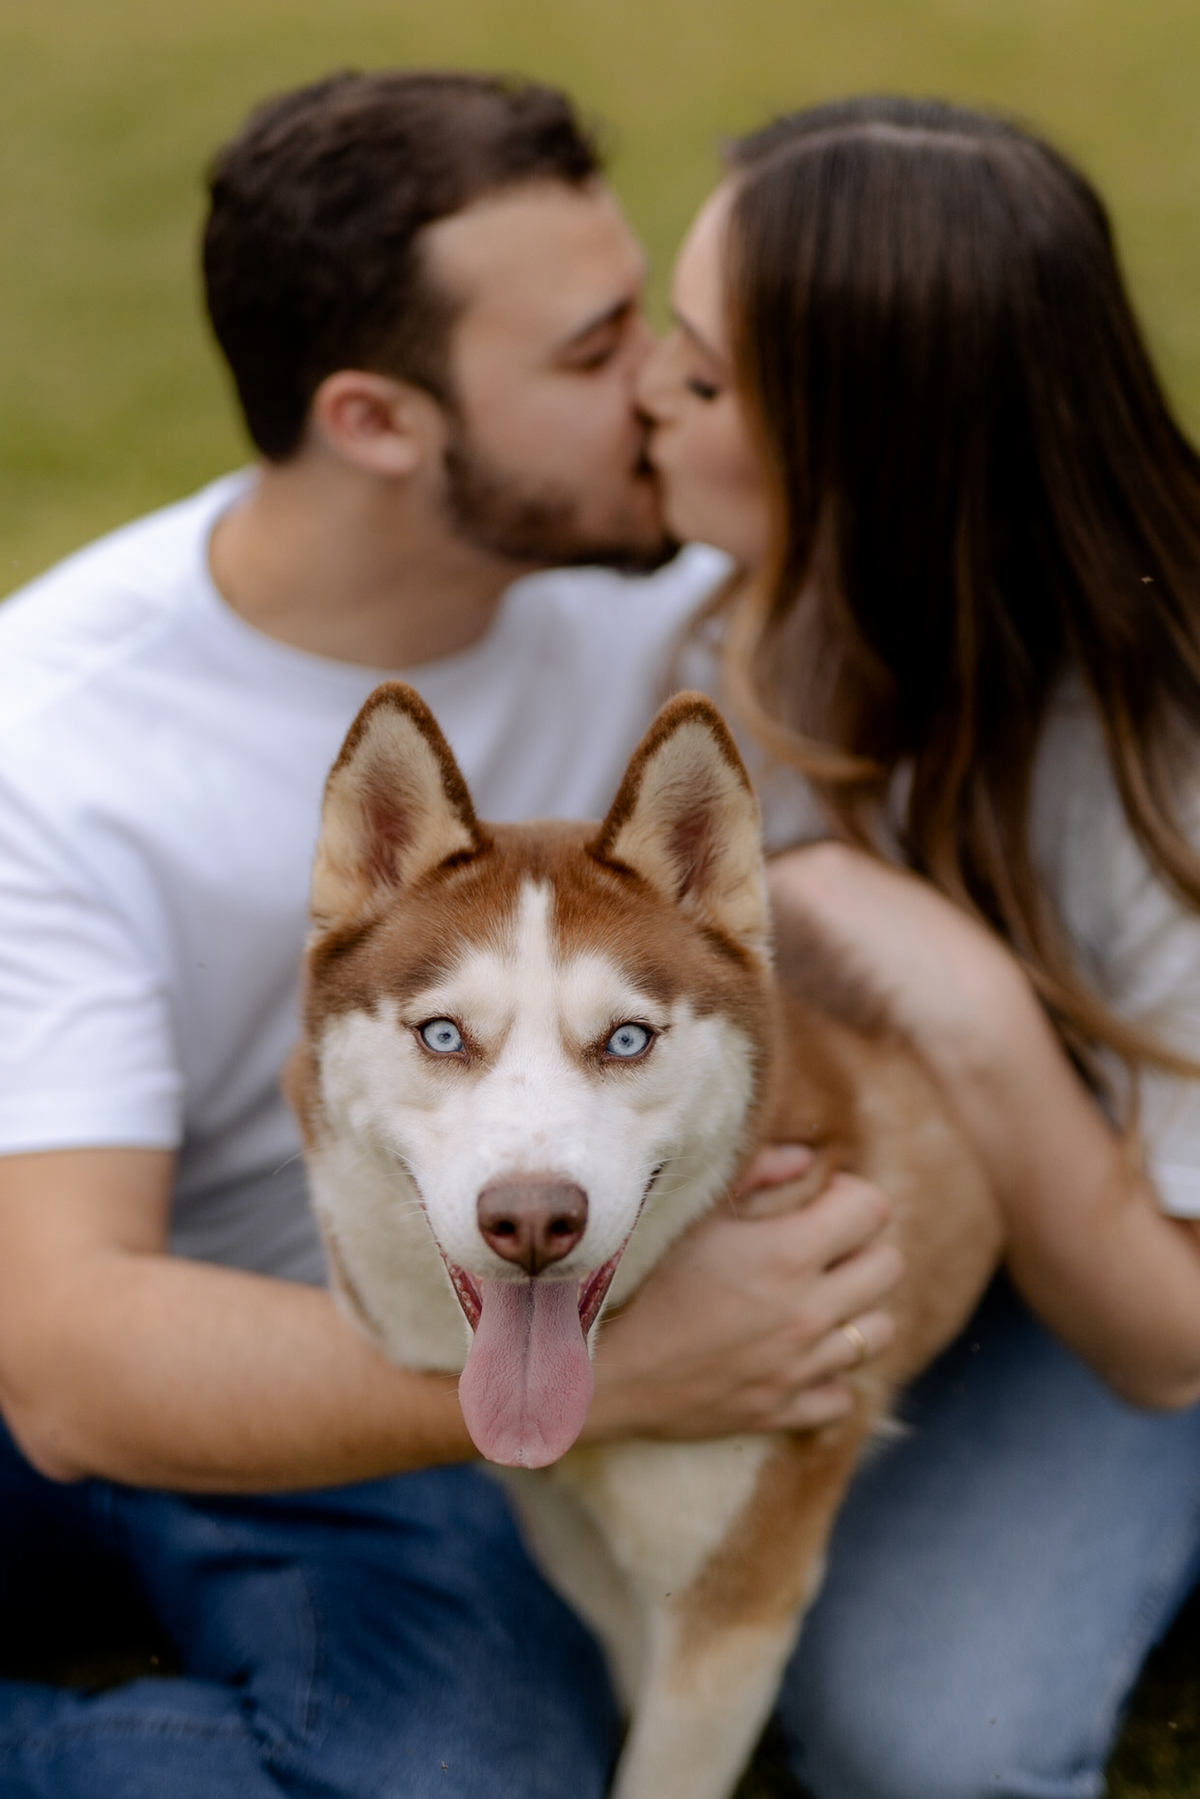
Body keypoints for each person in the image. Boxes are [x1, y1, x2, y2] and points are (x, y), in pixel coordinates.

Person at [0, 72, 901, 1798]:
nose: (661, 387)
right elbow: (69, 1361)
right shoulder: (56, 751)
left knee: (467, 1775)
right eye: (588, 355)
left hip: (421, 1370)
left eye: (645, 322)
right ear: (380, 421)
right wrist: (630, 1367)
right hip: (134, 1360)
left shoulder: (654, 603)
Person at [638, 94, 1200, 1799]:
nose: (649, 398)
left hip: (1135, 1291)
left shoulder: (1153, 766)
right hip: (923, 1218)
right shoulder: (729, 610)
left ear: (867, 458)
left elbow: (1164, 1339)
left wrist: (957, 999)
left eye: (708, 379)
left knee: (923, 1747)